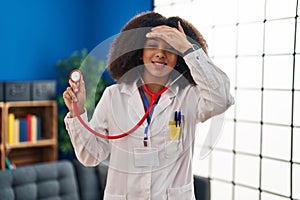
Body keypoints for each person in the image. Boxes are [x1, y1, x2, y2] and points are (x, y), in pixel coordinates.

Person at [63, 11, 234, 200]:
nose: (161, 53)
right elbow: (90, 156)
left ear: (179, 56)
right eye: (152, 45)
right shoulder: (114, 96)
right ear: (139, 52)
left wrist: (188, 49)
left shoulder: (188, 96)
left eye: (171, 47)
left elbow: (222, 99)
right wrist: (77, 113)